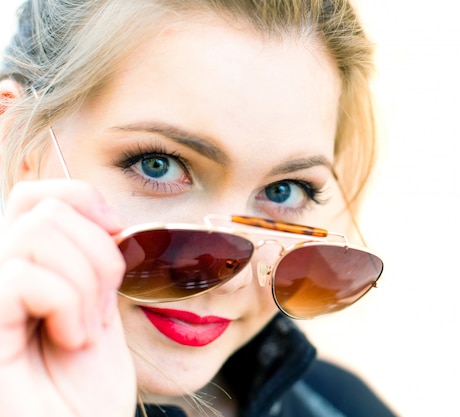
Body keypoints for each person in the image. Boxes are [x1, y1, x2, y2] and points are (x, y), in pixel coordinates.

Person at [0, 1, 395, 416]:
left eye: (283, 190)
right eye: (159, 165)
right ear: (16, 140)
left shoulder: (343, 405)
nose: (231, 281)